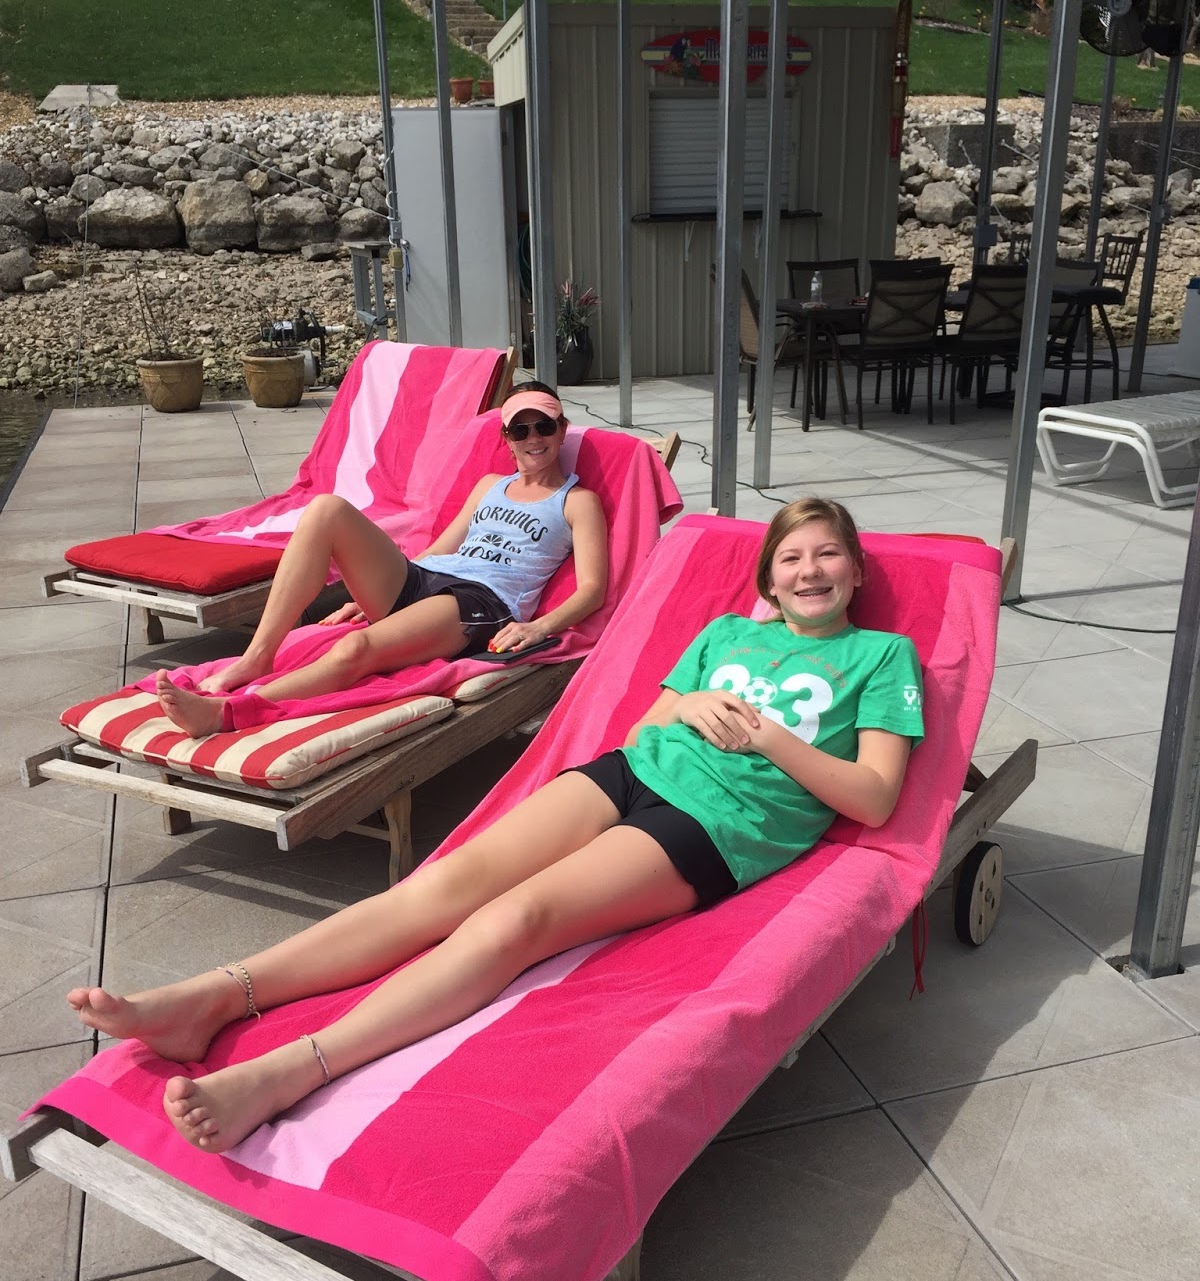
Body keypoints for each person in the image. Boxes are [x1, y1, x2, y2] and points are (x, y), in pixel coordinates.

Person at [68, 498, 925, 1154]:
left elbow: (874, 798)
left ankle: (288, 1071)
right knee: (442, 885)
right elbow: (643, 731)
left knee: (516, 921)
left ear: (855, 571)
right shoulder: (725, 632)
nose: (810, 570)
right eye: (791, 558)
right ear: (768, 581)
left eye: (827, 554)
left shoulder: (882, 657)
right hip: (633, 774)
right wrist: (692, 703)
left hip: (718, 824)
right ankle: (215, 997)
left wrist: (767, 737)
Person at [153, 382, 609, 738]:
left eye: (544, 426)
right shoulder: (489, 484)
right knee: (326, 508)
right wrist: (366, 593)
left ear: (562, 429)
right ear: (507, 438)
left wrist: (539, 627)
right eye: (520, 430)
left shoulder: (577, 501)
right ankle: (256, 657)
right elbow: (439, 551)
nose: (533, 438)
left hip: (479, 602)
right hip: (427, 579)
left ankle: (227, 713)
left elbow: (593, 589)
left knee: (354, 649)